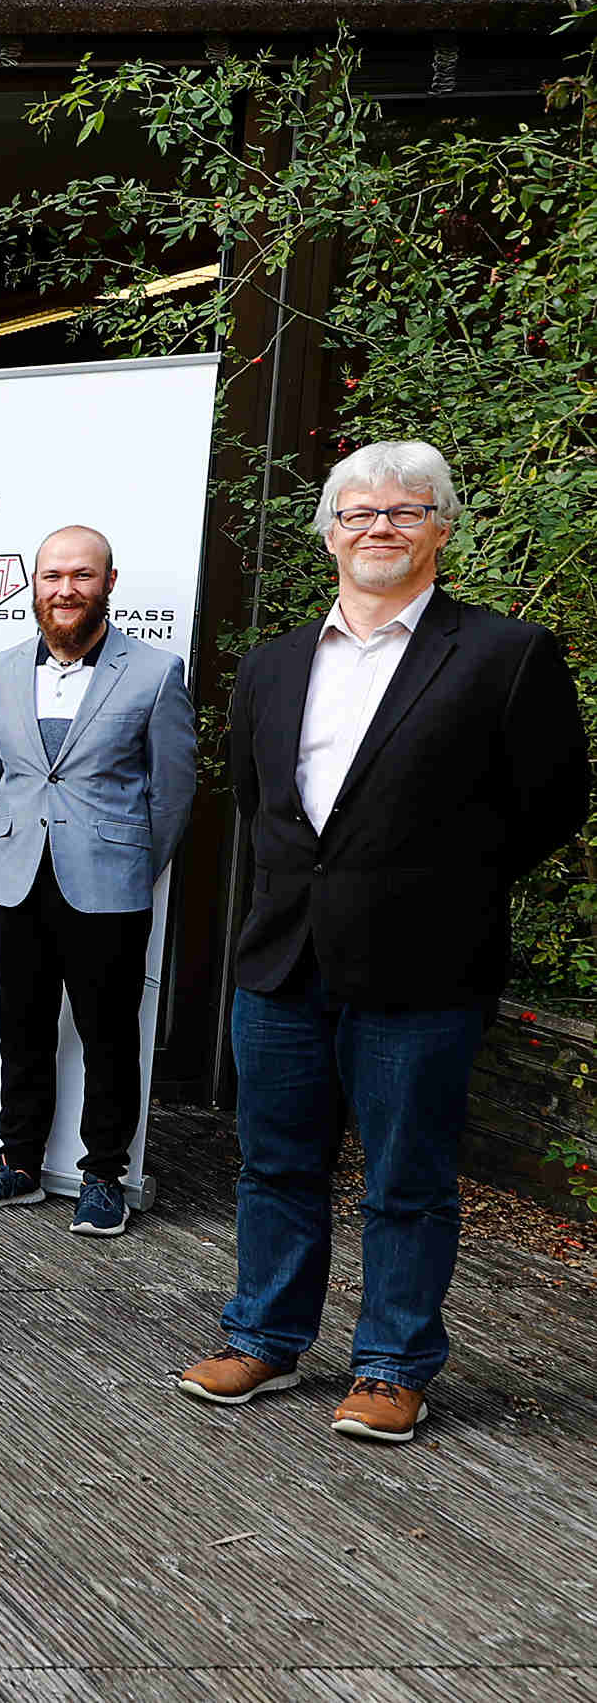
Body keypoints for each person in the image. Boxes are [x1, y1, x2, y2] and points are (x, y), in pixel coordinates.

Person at [180, 442, 586, 1443]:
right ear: (329, 530)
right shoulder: (275, 664)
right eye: (358, 511)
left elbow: (551, 805)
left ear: (442, 527)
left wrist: (441, 885)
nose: (380, 526)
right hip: (281, 959)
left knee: (407, 1176)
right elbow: (261, 800)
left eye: (407, 510)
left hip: (425, 964)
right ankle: (265, 1338)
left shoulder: (504, 654)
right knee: (274, 1164)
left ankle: (394, 1363)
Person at [0, 525, 193, 1236]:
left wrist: (127, 864)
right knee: (20, 1029)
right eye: (53, 576)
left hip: (108, 886)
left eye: (82, 576)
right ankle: (19, 1163)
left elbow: (172, 794)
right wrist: (14, 836)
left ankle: (104, 1176)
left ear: (109, 584)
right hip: (16, 880)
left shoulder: (153, 672)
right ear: (35, 584)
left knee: (107, 1034)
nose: (66, 590)